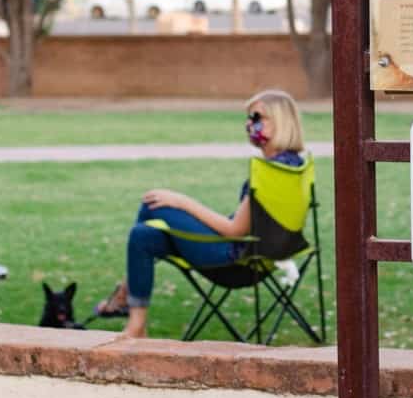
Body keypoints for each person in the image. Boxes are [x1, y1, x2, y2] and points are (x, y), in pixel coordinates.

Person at [93, 89, 308, 338]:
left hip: (234, 262)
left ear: (280, 121)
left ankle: (125, 295)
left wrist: (182, 202)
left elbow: (235, 230)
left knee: (153, 204)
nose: (249, 124)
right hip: (262, 259)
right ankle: (136, 326)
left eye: (257, 117)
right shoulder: (295, 166)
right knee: (143, 235)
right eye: (249, 118)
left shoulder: (270, 173)